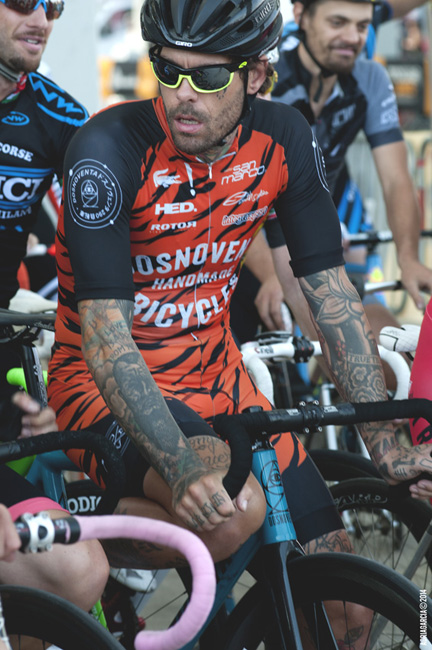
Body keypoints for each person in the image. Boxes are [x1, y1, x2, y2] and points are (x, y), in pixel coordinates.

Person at [47, 4, 432, 645]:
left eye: (206, 77)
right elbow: (107, 342)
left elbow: (332, 299)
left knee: (347, 613)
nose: (181, 94)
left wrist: (387, 447)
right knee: (233, 514)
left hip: (221, 381)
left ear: (256, 75)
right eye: (168, 70)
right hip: (104, 383)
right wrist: (177, 464)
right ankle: (80, 546)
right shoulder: (107, 149)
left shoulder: (284, 138)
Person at [0, 0, 109, 619]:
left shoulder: (58, 115)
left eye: (55, 3)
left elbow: (115, 236)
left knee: (75, 572)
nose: (42, 18)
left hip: (3, 379)